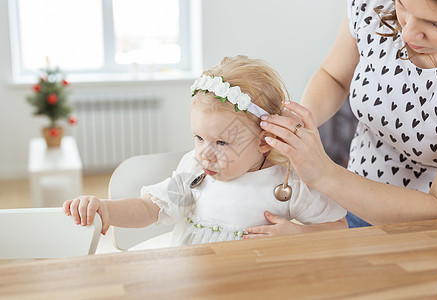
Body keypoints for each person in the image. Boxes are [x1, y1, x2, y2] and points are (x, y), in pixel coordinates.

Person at [63, 56, 348, 245]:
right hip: (194, 282)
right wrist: (106, 209)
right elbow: (149, 208)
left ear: (264, 141)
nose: (205, 154)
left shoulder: (286, 184)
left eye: (221, 143)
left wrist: (299, 235)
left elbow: (338, 228)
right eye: (199, 138)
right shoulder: (195, 174)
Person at [246, 0, 437, 235]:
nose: (408, 32)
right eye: (402, 5)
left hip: (427, 233)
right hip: (349, 202)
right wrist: (293, 123)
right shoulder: (372, 6)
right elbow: (334, 77)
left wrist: (324, 175)